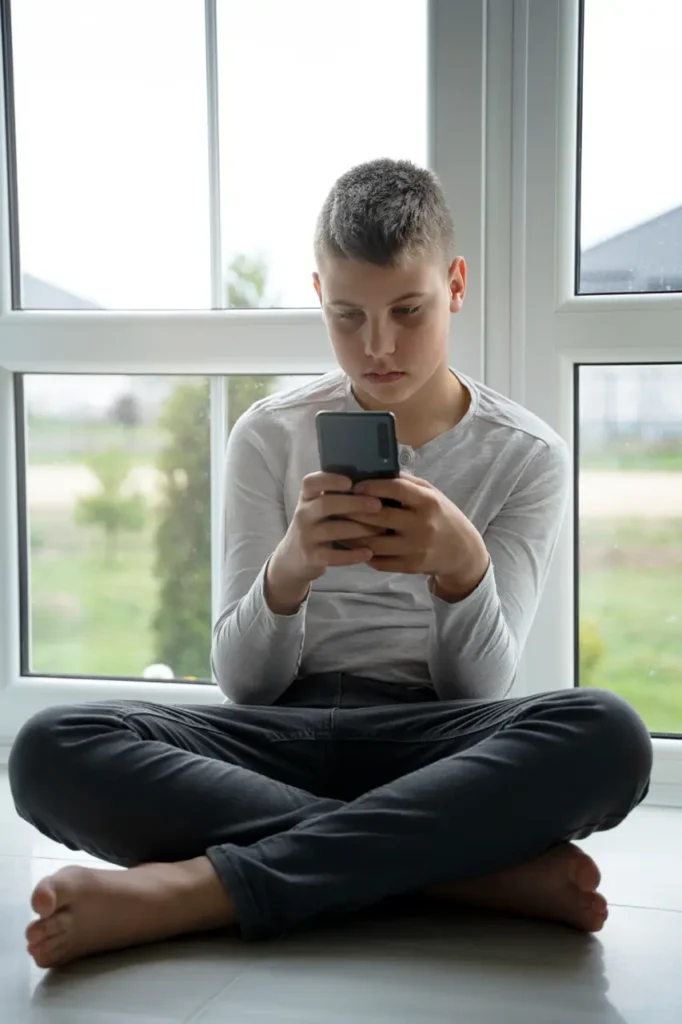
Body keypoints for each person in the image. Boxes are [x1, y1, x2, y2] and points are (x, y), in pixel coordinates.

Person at [9, 158, 652, 970]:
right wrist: (287, 574)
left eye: (407, 310)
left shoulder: (527, 457)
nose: (377, 347)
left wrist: (462, 571)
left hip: (433, 738)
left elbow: (477, 694)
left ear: (455, 285)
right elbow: (244, 684)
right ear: (319, 297)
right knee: (51, 746)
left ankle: (194, 893)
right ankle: (464, 874)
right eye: (348, 316)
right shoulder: (269, 435)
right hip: (276, 732)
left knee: (609, 736)